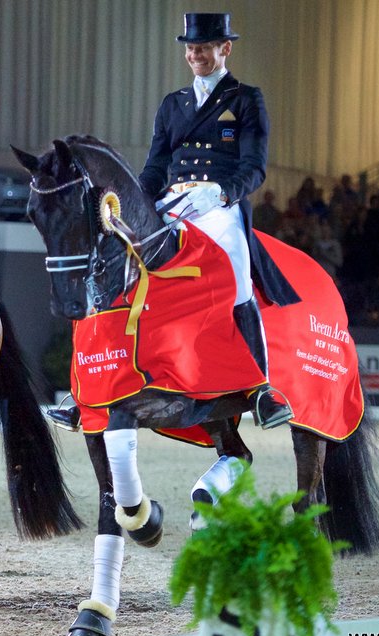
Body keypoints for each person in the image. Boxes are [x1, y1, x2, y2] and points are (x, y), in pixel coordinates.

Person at [50, 13, 297, 432]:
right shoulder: (173, 104)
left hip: (218, 204)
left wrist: (219, 193)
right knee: (114, 270)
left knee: (236, 271)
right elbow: (154, 168)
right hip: (171, 201)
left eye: (203, 47)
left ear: (225, 49)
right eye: (190, 48)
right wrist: (127, 208)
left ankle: (262, 390)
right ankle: (85, 391)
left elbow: (255, 168)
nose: (194, 54)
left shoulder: (245, 99)